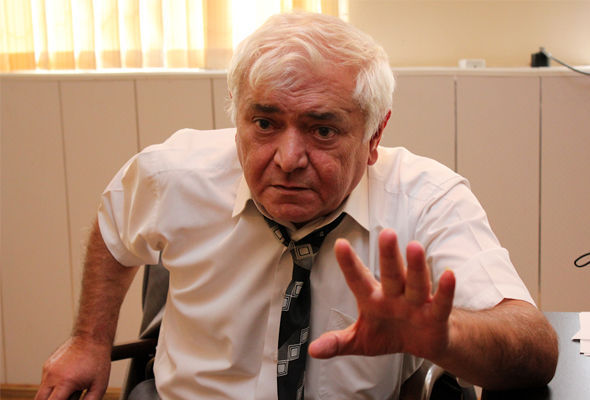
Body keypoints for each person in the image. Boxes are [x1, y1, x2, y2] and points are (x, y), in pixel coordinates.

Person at [36, 11, 558, 400]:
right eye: (264, 123)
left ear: (375, 136)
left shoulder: (426, 199)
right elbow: (114, 231)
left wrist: (445, 337)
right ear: (237, 116)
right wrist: (88, 340)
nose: (288, 159)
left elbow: (535, 347)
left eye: (322, 130)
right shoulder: (172, 175)